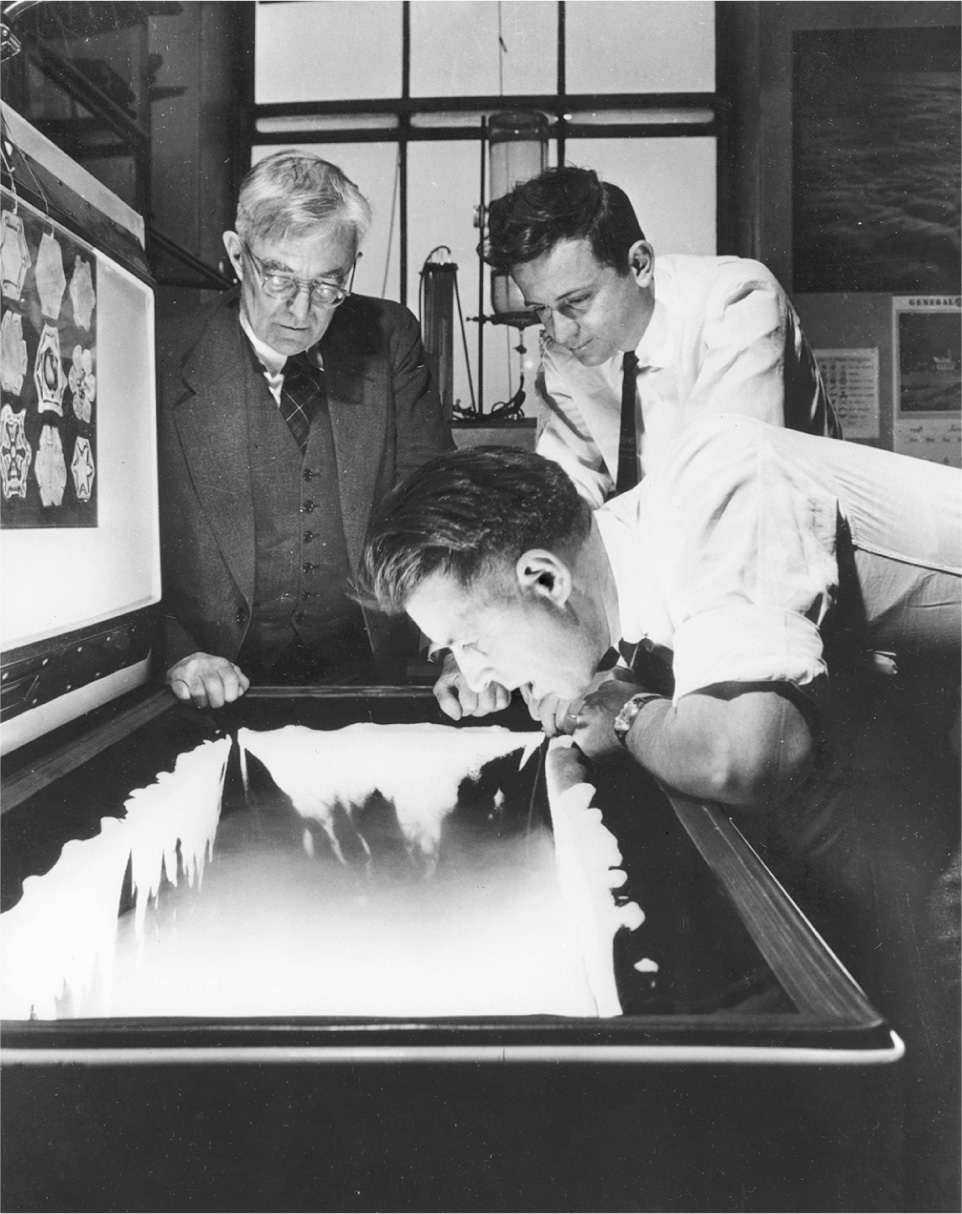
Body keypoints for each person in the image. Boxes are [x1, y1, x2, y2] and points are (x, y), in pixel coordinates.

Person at [360, 421, 961, 1208]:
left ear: (544, 578)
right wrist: (534, 668)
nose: (480, 675)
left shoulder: (725, 494)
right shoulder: (630, 554)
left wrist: (628, 710)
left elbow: (741, 757)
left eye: (469, 640)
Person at [158, 150, 453, 709]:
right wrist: (177, 651)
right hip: (212, 688)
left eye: (327, 286)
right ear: (236, 255)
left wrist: (459, 647)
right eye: (279, 277)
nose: (300, 309)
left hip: (362, 680)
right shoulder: (165, 353)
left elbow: (436, 510)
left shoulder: (388, 337)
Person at [484, 165, 841, 508]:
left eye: (576, 301)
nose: (559, 331)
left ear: (639, 264)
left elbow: (723, 495)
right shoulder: (565, 346)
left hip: (797, 545)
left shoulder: (738, 301)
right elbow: (567, 486)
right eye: (539, 310)